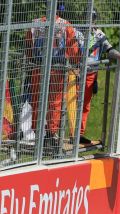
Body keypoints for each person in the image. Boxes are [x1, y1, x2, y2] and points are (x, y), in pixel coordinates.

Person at [25, 1, 80, 147]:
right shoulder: (65, 24)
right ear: (58, 9)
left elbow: (28, 46)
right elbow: (73, 48)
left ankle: (38, 133)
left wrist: (32, 62)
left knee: (37, 100)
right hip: (58, 69)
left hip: (38, 68)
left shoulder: (35, 24)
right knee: (55, 102)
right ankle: (51, 134)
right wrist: (75, 62)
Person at [78, 9, 120, 144]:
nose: (89, 20)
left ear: (95, 19)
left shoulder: (99, 34)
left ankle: (78, 134)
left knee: (85, 104)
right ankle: (57, 133)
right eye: (87, 17)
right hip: (74, 73)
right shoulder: (76, 32)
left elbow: (109, 50)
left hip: (91, 74)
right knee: (68, 104)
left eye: (92, 18)